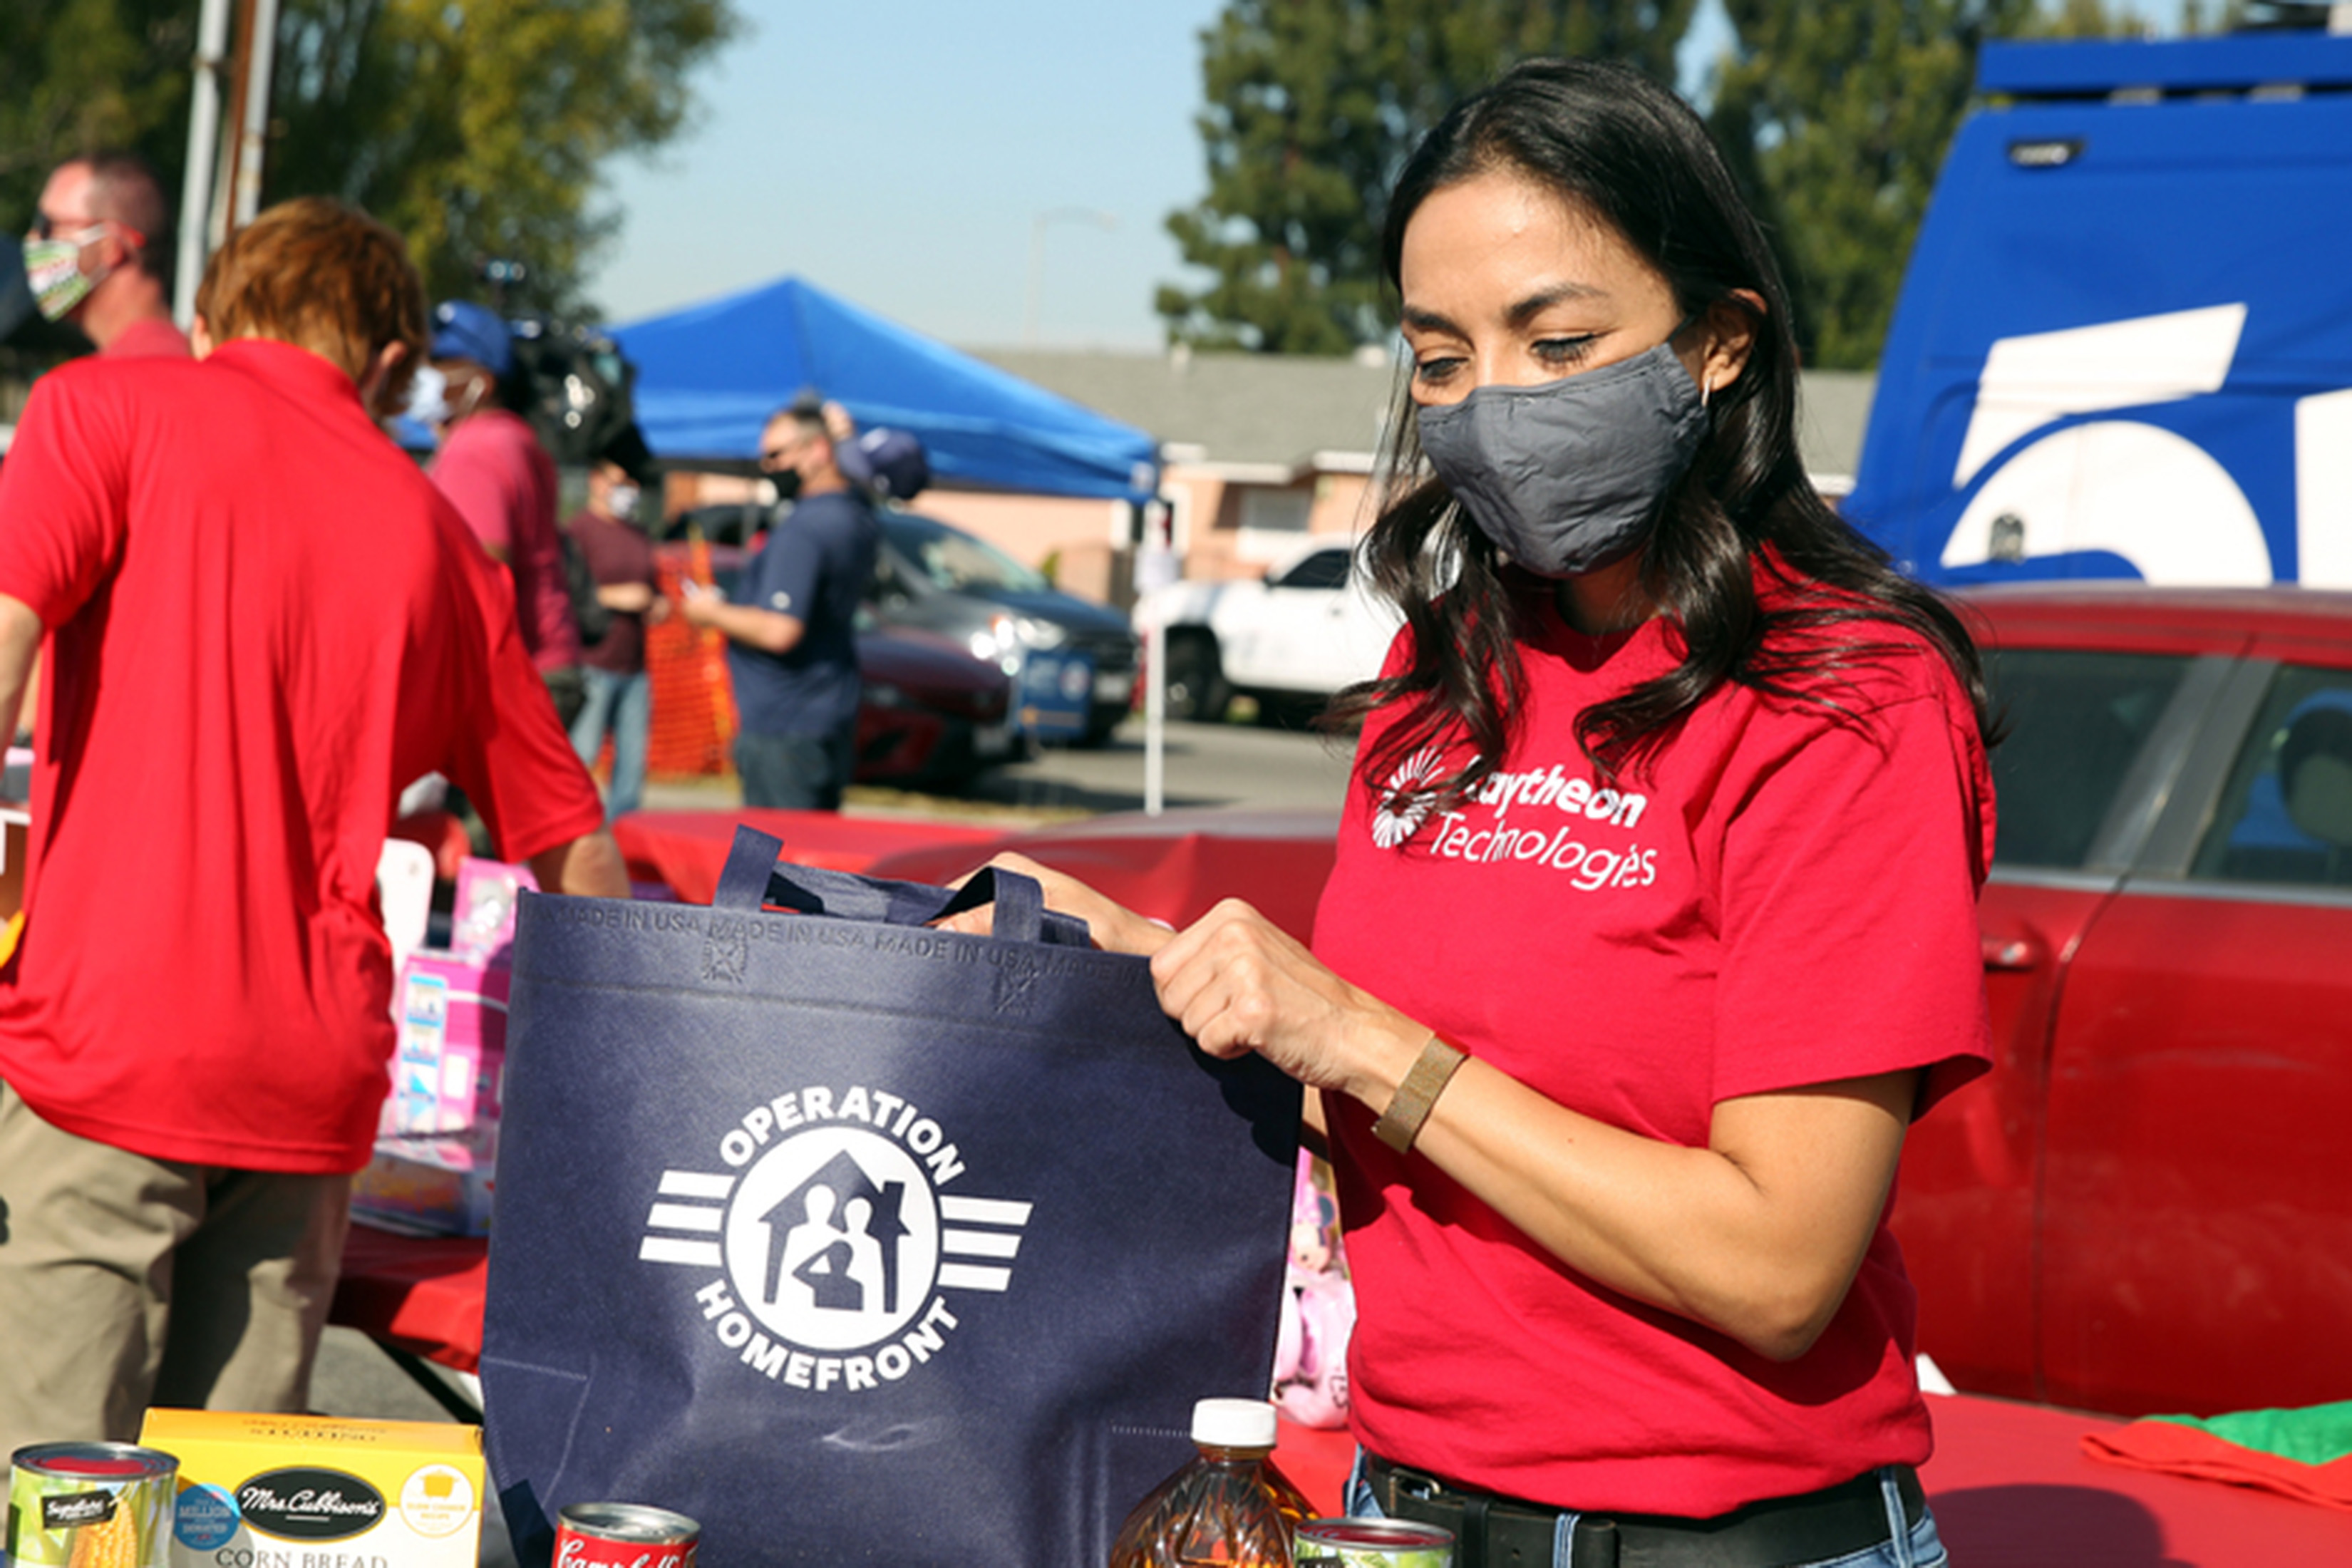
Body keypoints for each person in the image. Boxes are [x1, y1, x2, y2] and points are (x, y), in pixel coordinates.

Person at [951, 59, 1994, 1568]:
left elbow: (1779, 1262)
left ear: (1715, 343)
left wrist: (1358, 1033)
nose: (1493, 403)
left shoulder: (1844, 698)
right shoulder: (1443, 670)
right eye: (1441, 357)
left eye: (1556, 340)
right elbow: (1397, 1117)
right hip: (1407, 1514)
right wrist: (1128, 965)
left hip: (1724, 1533)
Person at [0, 196, 629, 1454]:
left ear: (216, 311)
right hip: (310, 1089)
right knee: (224, 1512)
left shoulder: (101, 411)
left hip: (101, 1045)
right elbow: (574, 845)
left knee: (55, 1501)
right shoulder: (450, 548)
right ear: (390, 361)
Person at [679, 398, 880, 810]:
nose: (769, 467)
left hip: (783, 726)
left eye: (777, 455)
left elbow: (780, 629)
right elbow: (863, 483)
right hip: (825, 713)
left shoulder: (805, 529)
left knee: (771, 866)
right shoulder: (854, 515)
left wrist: (709, 612)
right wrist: (847, 440)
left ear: (818, 451)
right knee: (814, 863)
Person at [424, 299, 587, 727]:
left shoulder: (473, 449)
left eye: (443, 364)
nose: (430, 378)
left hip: (512, 675)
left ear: (483, 380)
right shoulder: (515, 439)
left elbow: (483, 571)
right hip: (551, 662)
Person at [567, 454, 670, 819]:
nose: (628, 491)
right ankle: (567, 834)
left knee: (630, 768)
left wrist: (656, 603)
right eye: (620, 480)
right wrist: (616, 596)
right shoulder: (578, 531)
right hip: (594, 663)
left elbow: (651, 588)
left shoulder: (637, 534)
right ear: (597, 480)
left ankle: (624, 844)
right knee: (582, 757)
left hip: (635, 667)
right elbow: (565, 595)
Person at [21, 152, 190, 358]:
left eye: (48, 227)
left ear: (110, 247)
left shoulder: (68, 388)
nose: (33, 240)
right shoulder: (217, 373)